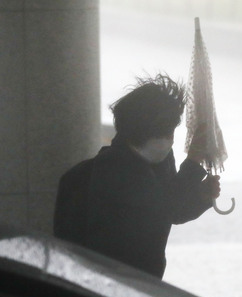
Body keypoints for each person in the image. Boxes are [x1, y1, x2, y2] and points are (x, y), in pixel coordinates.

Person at [54, 74, 220, 279]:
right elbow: (161, 207)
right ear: (144, 131)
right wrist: (193, 162)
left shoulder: (157, 160)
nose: (170, 139)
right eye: (166, 132)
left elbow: (171, 211)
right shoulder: (106, 173)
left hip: (140, 285)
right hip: (106, 289)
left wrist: (200, 196)